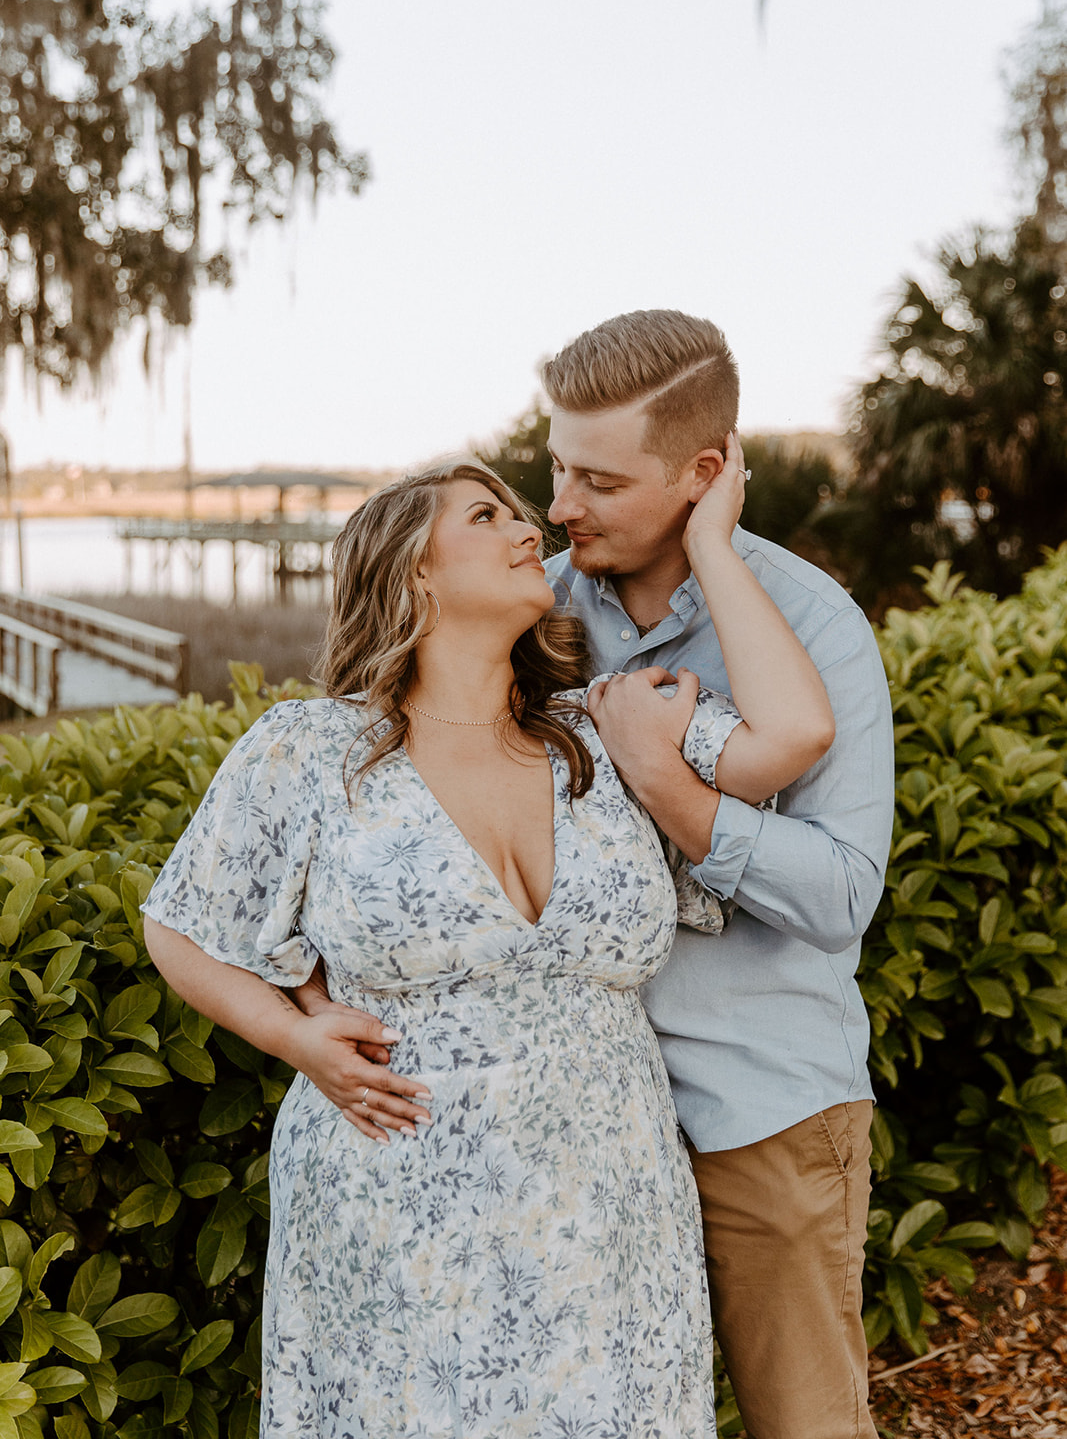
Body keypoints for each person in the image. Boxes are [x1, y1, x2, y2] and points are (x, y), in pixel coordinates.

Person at [141, 455, 834, 1439]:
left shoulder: (604, 732)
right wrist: (294, 1038)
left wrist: (708, 546)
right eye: (486, 514)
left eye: (520, 514)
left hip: (608, 1197)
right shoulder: (308, 749)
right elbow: (179, 920)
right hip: (393, 1200)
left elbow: (796, 731)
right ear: (412, 571)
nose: (530, 531)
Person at [540, 308, 896, 1439]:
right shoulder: (529, 611)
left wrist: (677, 796)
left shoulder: (813, 623)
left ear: (704, 474)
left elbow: (842, 893)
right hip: (577, 1120)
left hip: (764, 1112)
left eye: (595, 479)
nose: (558, 506)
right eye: (554, 466)